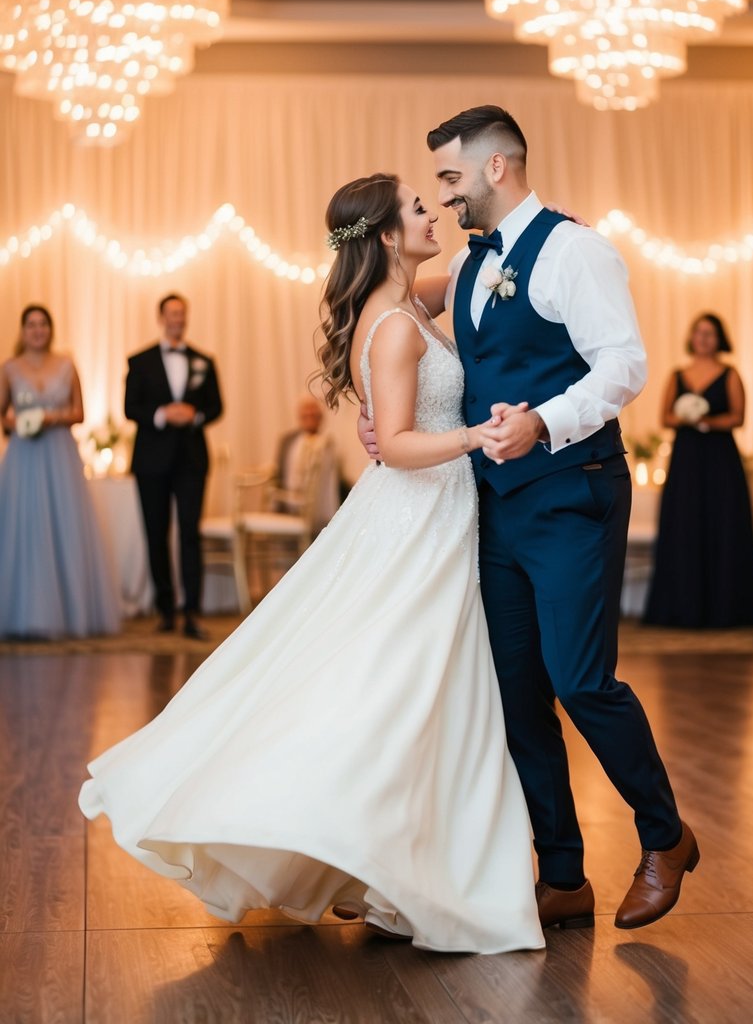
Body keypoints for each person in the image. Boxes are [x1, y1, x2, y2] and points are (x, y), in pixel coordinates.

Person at [79, 175, 544, 954]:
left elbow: (467, 275)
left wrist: (502, 232)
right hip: (418, 516)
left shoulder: (402, 305)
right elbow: (395, 446)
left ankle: (389, 867)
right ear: (389, 236)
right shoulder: (394, 325)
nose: (434, 214)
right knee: (403, 688)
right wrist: (476, 436)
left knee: (408, 691)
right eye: (420, 209)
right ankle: (400, 866)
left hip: (426, 516)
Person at [363, 105, 699, 931]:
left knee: (581, 679)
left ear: (496, 169)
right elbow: (388, 309)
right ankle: (563, 875)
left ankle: (665, 837)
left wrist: (544, 420)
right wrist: (380, 414)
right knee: (517, 692)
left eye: (449, 178)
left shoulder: (577, 251)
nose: (441, 198)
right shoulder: (474, 265)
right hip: (492, 506)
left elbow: (622, 366)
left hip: (571, 492)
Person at [0, 305, 120, 640]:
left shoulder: (67, 364)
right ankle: (23, 614)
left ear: (51, 329)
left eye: (43, 324)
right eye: (31, 325)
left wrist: (50, 419)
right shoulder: (9, 368)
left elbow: (80, 413)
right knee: (25, 528)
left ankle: (67, 612)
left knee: (63, 526)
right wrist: (20, 423)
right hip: (23, 456)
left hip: (59, 455)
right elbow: (2, 415)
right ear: (22, 330)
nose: (37, 330)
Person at [643, 313, 753, 629]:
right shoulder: (677, 375)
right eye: (699, 332)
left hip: (721, 460)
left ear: (719, 338)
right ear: (692, 337)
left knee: (723, 525)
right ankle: (682, 609)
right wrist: (686, 419)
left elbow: (738, 417)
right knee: (684, 524)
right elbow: (665, 417)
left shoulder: (730, 374)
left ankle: (727, 609)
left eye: (710, 333)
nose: (704, 338)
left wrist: (707, 422)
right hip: (686, 459)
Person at [124, 294, 223, 640]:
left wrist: (194, 415)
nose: (177, 318)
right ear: (161, 317)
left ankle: (191, 612)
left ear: (186, 316)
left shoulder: (203, 360)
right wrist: (163, 414)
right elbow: (130, 408)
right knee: (156, 533)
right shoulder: (140, 361)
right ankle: (166, 609)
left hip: (191, 460)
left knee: (189, 534)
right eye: (171, 313)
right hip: (150, 460)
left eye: (182, 313)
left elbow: (216, 407)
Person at [274, 395, 344, 532]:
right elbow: (279, 472)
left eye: (313, 415)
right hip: (286, 499)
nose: (309, 418)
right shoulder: (287, 441)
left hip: (316, 505)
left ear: (320, 418)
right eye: (305, 415)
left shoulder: (327, 444)